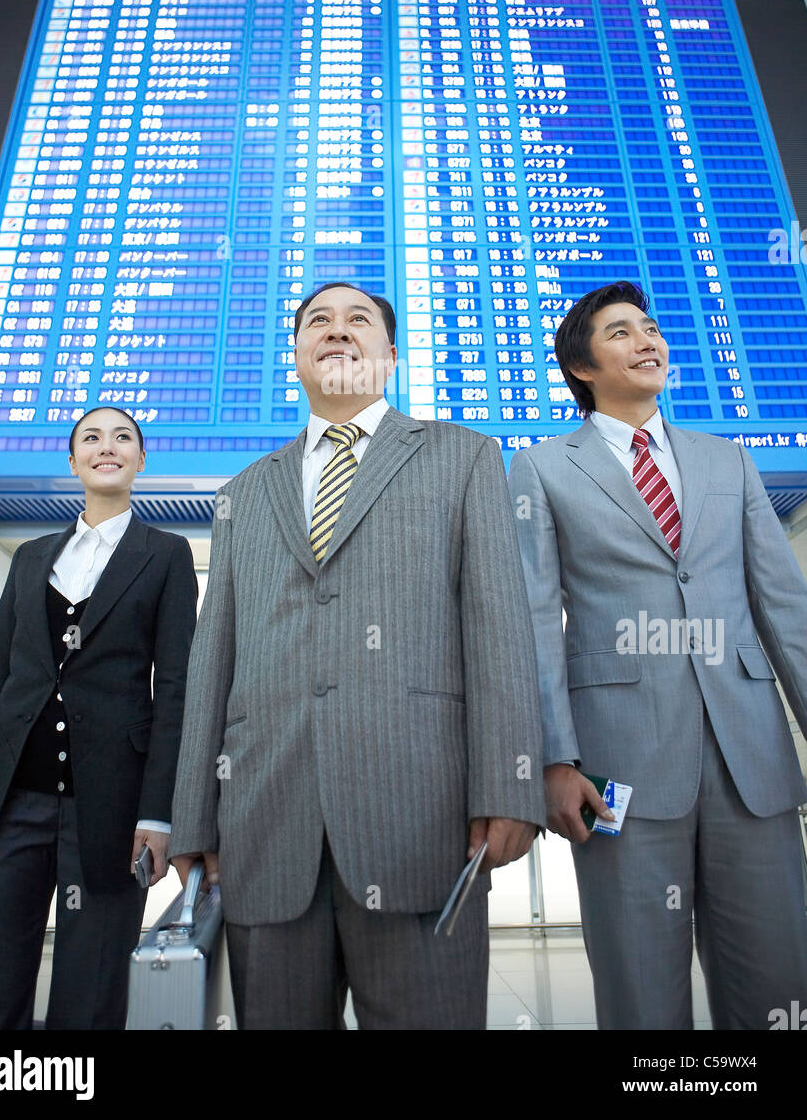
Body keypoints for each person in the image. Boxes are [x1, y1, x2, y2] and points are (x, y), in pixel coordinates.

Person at [170, 281, 545, 1030]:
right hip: (264, 829)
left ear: (392, 355)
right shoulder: (243, 492)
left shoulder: (464, 458)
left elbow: (499, 627)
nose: (337, 331)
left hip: (420, 823)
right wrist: (192, 821)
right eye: (318, 322)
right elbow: (212, 659)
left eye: (358, 320)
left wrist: (508, 788)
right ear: (297, 357)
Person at [509, 281, 807, 1030]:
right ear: (581, 365)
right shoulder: (543, 469)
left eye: (650, 328)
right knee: (641, 989)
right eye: (621, 333)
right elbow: (537, 620)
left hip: (751, 756)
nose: (648, 341)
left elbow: (784, 605)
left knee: (781, 983)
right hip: (619, 768)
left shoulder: (727, 460)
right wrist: (554, 760)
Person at [0, 407, 198, 1030]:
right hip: (9, 804)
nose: (106, 447)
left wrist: (158, 812)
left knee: (91, 993)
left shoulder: (165, 556)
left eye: (122, 438)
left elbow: (177, 692)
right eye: (91, 438)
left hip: (109, 810)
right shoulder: (30, 558)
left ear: (140, 461)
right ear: (72, 461)